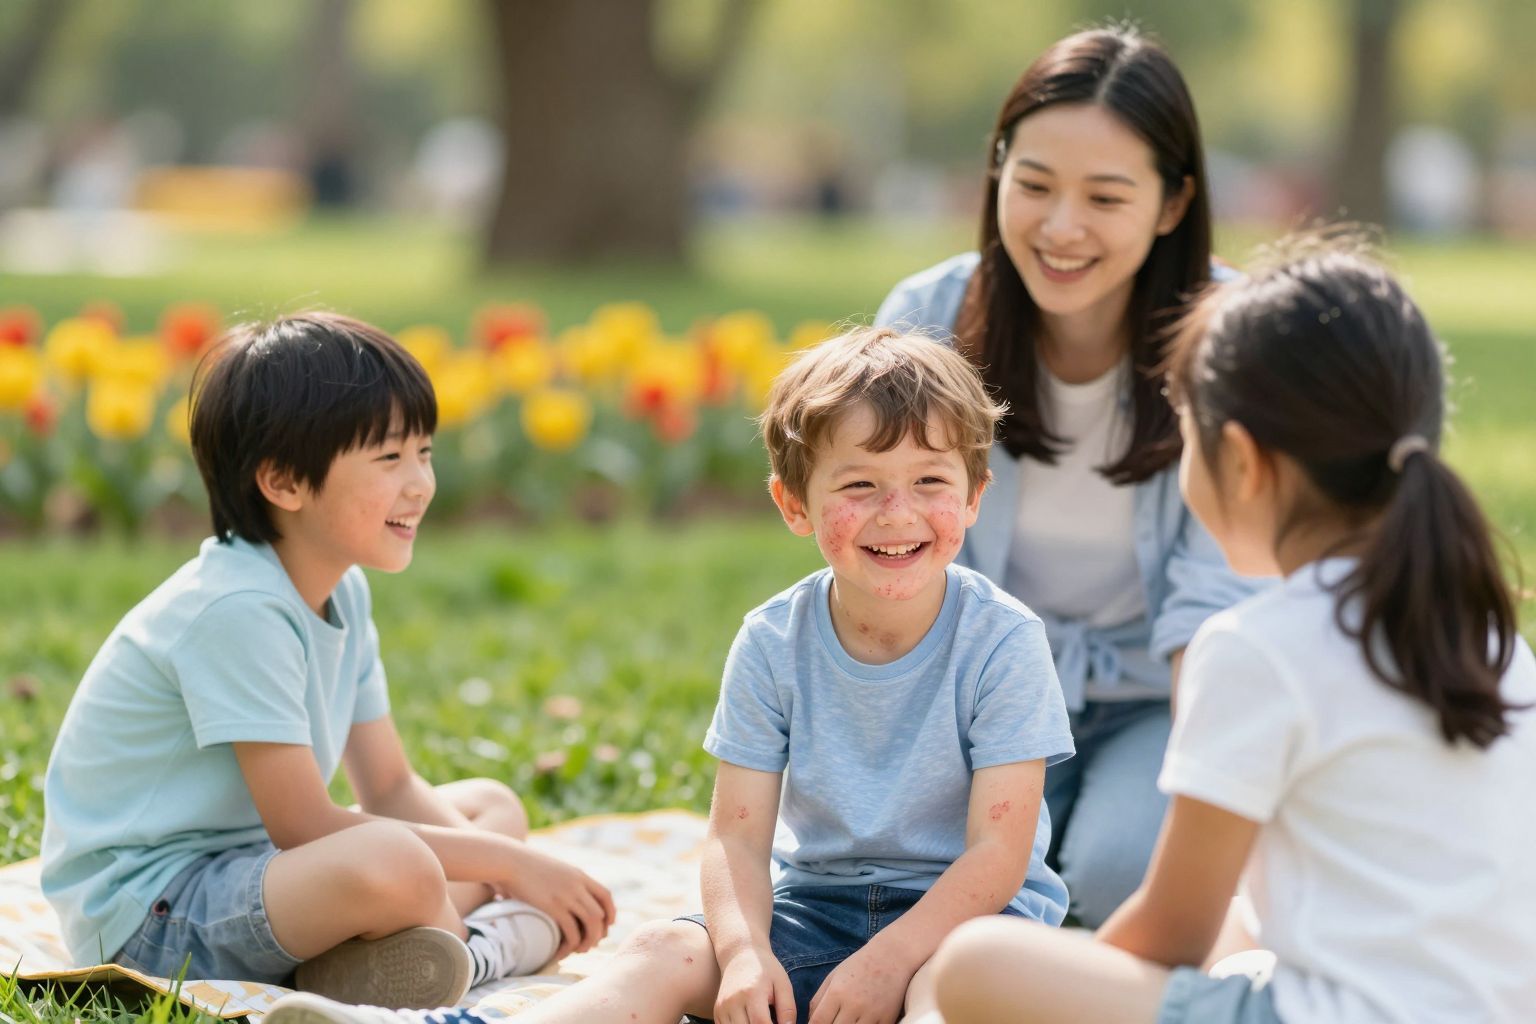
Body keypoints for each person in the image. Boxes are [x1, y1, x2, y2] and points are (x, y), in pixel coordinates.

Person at [264, 326, 1075, 1024]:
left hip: (965, 924)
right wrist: (746, 950)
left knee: (946, 992)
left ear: (974, 497)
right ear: (793, 505)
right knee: (658, 948)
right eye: (858, 485)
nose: (896, 512)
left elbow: (995, 858)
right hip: (813, 911)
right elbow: (736, 836)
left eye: (929, 482)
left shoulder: (1002, 642)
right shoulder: (771, 641)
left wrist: (891, 961)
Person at [928, 236, 1536, 1023]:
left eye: (1187, 434)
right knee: (1245, 925)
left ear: (1243, 462)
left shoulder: (1258, 646)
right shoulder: (1487, 636)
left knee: (978, 964)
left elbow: (1169, 933)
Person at [40, 314, 614, 1008]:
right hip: (152, 913)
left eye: (425, 452)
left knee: (491, 806)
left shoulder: (343, 586)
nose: (421, 484)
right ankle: (479, 949)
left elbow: (391, 786)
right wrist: (513, 869)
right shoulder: (235, 608)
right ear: (283, 481)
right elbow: (306, 827)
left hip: (254, 872)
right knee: (408, 862)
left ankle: (397, 954)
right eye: (389, 459)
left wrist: (506, 857)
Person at [874, 25, 1259, 928]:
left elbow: (1220, 600)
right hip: (976, 700)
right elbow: (880, 551)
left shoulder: (1239, 338)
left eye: (1106, 196)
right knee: (903, 876)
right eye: (1035, 184)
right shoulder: (928, 318)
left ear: (1173, 204)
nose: (1060, 227)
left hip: (1154, 703)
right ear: (997, 170)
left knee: (1126, 875)